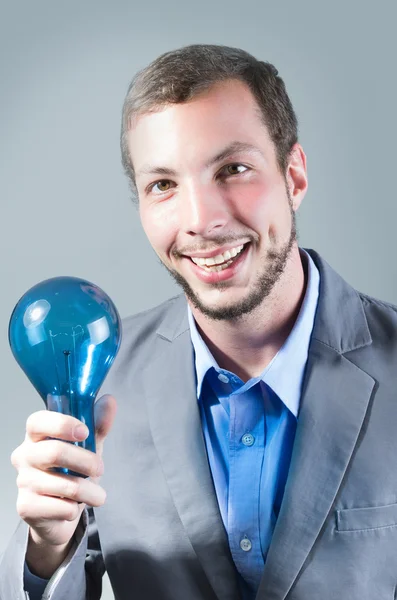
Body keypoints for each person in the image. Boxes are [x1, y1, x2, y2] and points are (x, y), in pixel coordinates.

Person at [1, 44, 397, 600]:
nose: (201, 221)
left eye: (233, 169)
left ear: (294, 176)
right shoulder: (100, 374)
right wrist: (48, 549)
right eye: (163, 185)